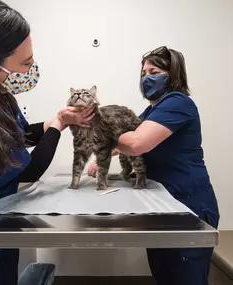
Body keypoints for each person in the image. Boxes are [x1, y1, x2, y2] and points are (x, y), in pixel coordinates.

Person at [0, 0, 94, 284]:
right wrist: (59, 127)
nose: (31, 70)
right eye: (26, 64)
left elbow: (16, 137)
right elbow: (23, 168)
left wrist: (54, 121)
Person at [88, 46, 219, 285]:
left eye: (154, 71)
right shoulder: (152, 110)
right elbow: (128, 141)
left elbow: (137, 143)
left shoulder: (177, 102)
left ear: (173, 74)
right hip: (162, 206)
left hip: (188, 207)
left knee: (186, 279)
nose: (146, 77)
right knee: (164, 275)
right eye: (143, 73)